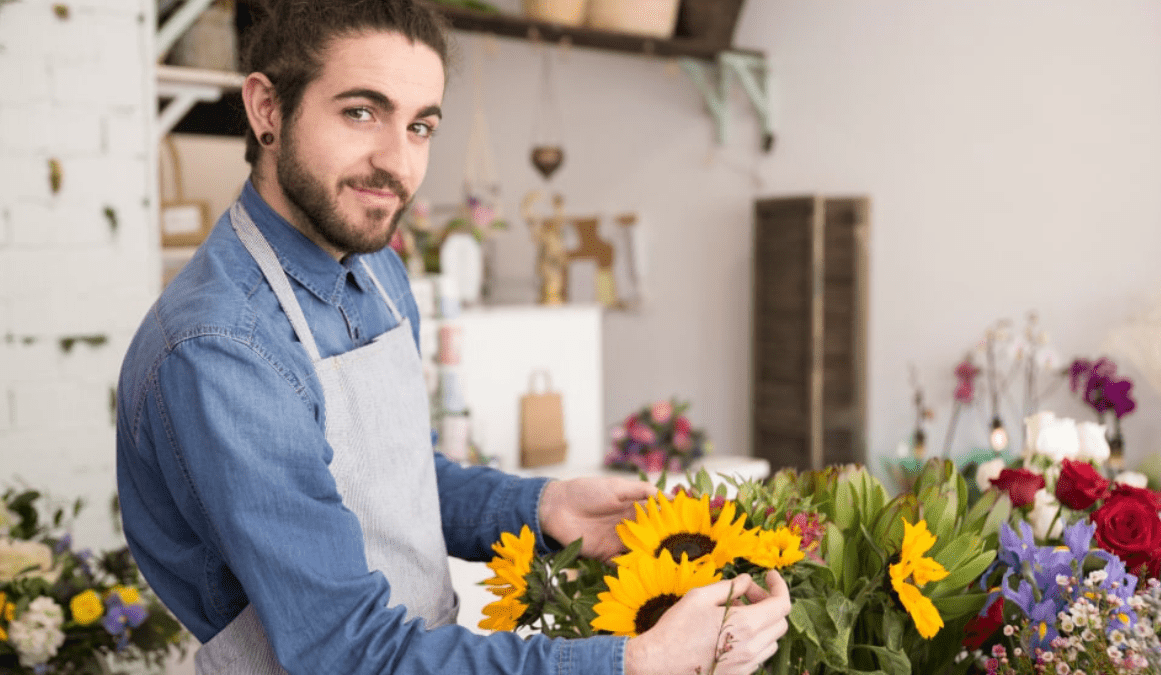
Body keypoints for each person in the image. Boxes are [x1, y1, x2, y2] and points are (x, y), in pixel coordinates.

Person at [115, 1, 791, 674]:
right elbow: (343, 651)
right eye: (361, 112)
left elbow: (393, 479)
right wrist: (633, 661)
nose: (396, 162)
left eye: (420, 126)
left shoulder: (374, 268)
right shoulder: (221, 347)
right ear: (267, 108)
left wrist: (541, 505)